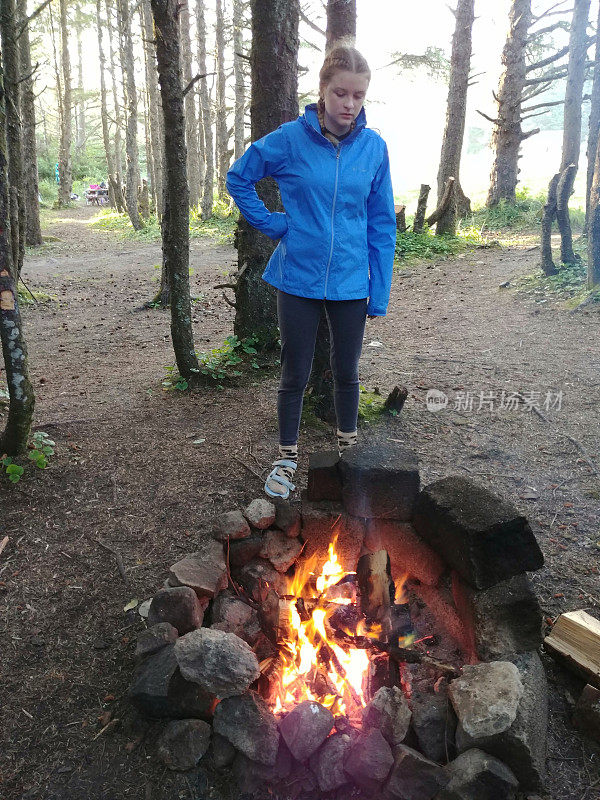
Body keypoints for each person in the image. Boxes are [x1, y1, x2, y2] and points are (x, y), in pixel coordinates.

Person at [226, 42, 396, 500]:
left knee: (347, 369)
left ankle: (347, 453)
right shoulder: (289, 139)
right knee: (294, 371)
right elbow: (238, 175)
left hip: (350, 280)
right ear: (322, 90)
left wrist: (377, 291)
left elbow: (382, 225)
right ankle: (285, 459)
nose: (349, 104)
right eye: (341, 93)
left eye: (359, 95)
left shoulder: (374, 148)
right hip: (297, 276)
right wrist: (274, 224)